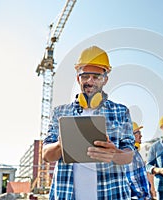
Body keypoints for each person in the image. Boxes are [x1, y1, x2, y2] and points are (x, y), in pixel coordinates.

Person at [42, 46, 135, 199]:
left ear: (105, 79)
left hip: (112, 194)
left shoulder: (121, 112)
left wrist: (114, 154)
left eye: (96, 76)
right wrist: (61, 144)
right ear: (78, 78)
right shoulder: (60, 113)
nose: (90, 81)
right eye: (85, 76)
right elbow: (46, 155)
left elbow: (129, 155)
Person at [125, 122, 151, 200]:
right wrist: (143, 196)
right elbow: (132, 178)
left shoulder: (135, 152)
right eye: (138, 132)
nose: (141, 135)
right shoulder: (130, 153)